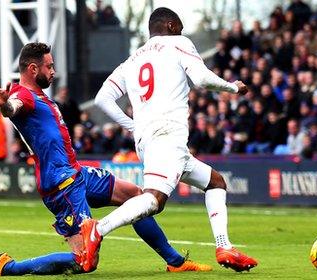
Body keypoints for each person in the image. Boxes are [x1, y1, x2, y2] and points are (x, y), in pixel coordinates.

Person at [0, 42, 210, 276]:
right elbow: (13, 108)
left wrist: (8, 105)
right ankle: (8, 267)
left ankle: (175, 261)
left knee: (137, 196)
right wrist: (5, 105)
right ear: (33, 69)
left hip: (77, 173)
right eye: (49, 66)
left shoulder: (39, 96)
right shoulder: (22, 94)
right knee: (85, 261)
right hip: (62, 185)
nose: (54, 71)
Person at [92, 7, 258, 273]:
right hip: (167, 134)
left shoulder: (132, 59)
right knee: (154, 199)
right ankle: (97, 229)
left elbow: (102, 98)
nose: (182, 32)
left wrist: (132, 126)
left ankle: (224, 245)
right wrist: (233, 87)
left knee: (215, 182)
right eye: (180, 26)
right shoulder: (178, 43)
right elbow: (202, 78)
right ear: (170, 25)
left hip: (149, 140)